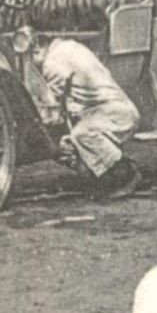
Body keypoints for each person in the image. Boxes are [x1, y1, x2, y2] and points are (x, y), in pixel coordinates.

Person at [13, 27, 144, 199]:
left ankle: (125, 174)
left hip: (114, 113)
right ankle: (101, 174)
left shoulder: (51, 65)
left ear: (37, 47)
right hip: (115, 110)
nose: (32, 64)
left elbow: (56, 111)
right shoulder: (69, 47)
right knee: (75, 135)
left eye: (30, 57)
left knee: (77, 135)